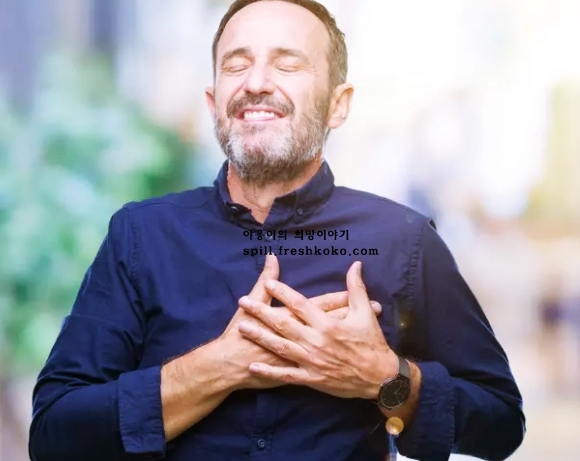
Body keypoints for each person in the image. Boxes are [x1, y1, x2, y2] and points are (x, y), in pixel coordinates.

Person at [28, 1, 525, 460]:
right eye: (236, 65)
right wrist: (219, 366)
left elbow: (500, 424)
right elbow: (54, 434)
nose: (256, 82)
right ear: (214, 102)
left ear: (337, 104)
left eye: (287, 64)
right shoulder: (141, 235)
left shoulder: (404, 241)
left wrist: (383, 377)